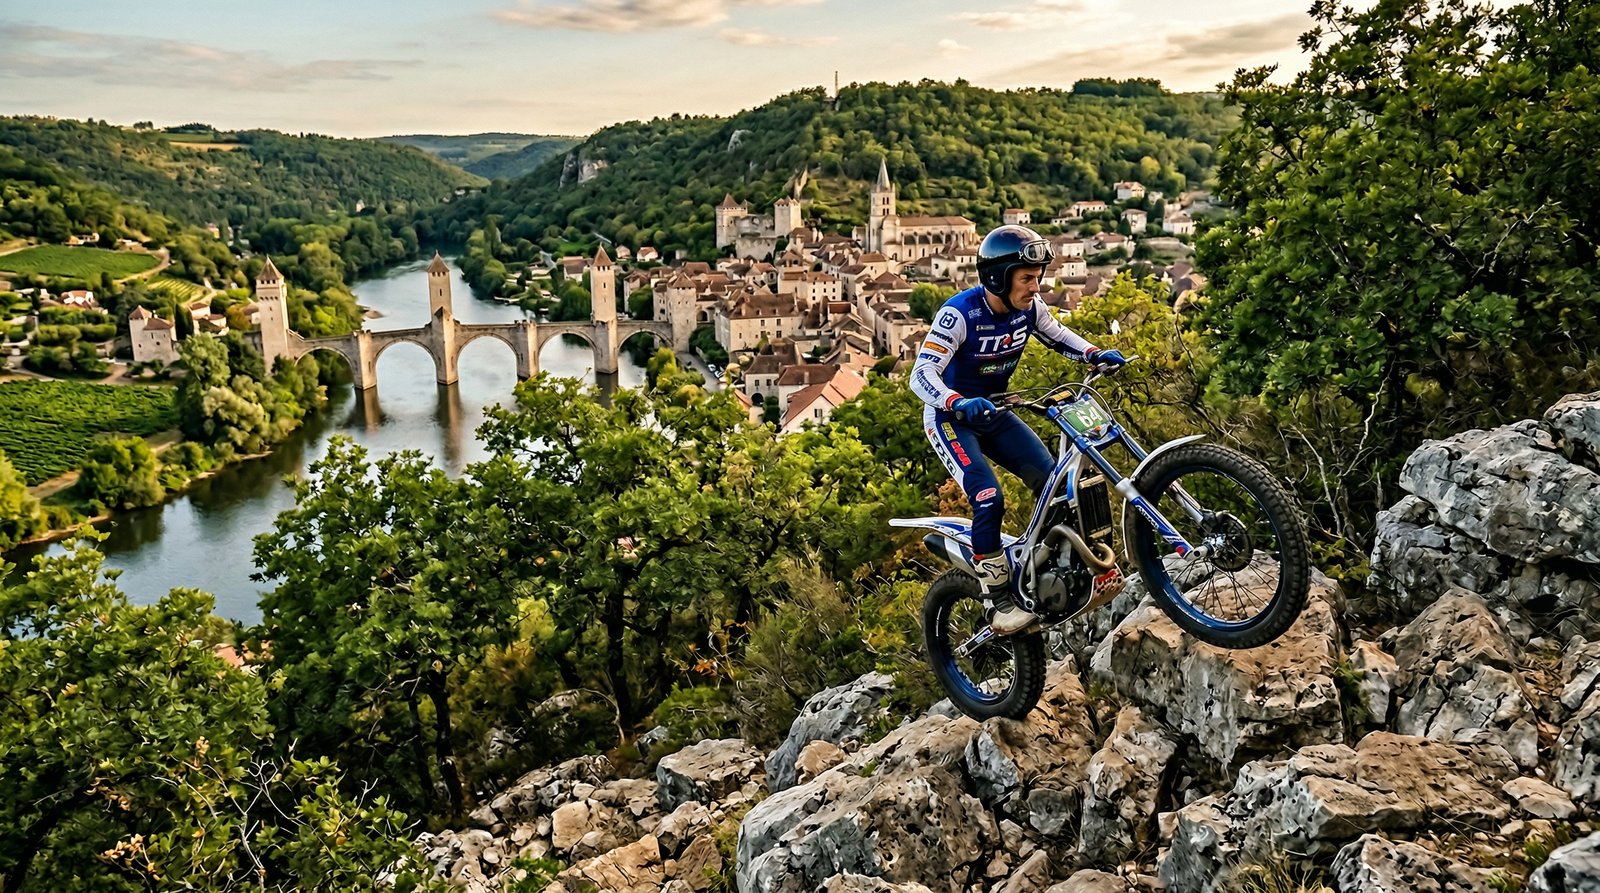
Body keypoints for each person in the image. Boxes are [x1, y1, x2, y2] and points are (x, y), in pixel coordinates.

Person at [910, 224, 1125, 634]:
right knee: (988, 497)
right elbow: (920, 376)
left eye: (1038, 277)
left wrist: (1095, 354)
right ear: (998, 277)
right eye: (1027, 278)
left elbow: (1058, 336)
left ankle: (1048, 570)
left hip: (995, 412)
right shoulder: (960, 313)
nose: (1035, 286)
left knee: (1055, 486)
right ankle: (997, 599)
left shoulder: (1030, 308)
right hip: (951, 419)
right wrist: (956, 401)